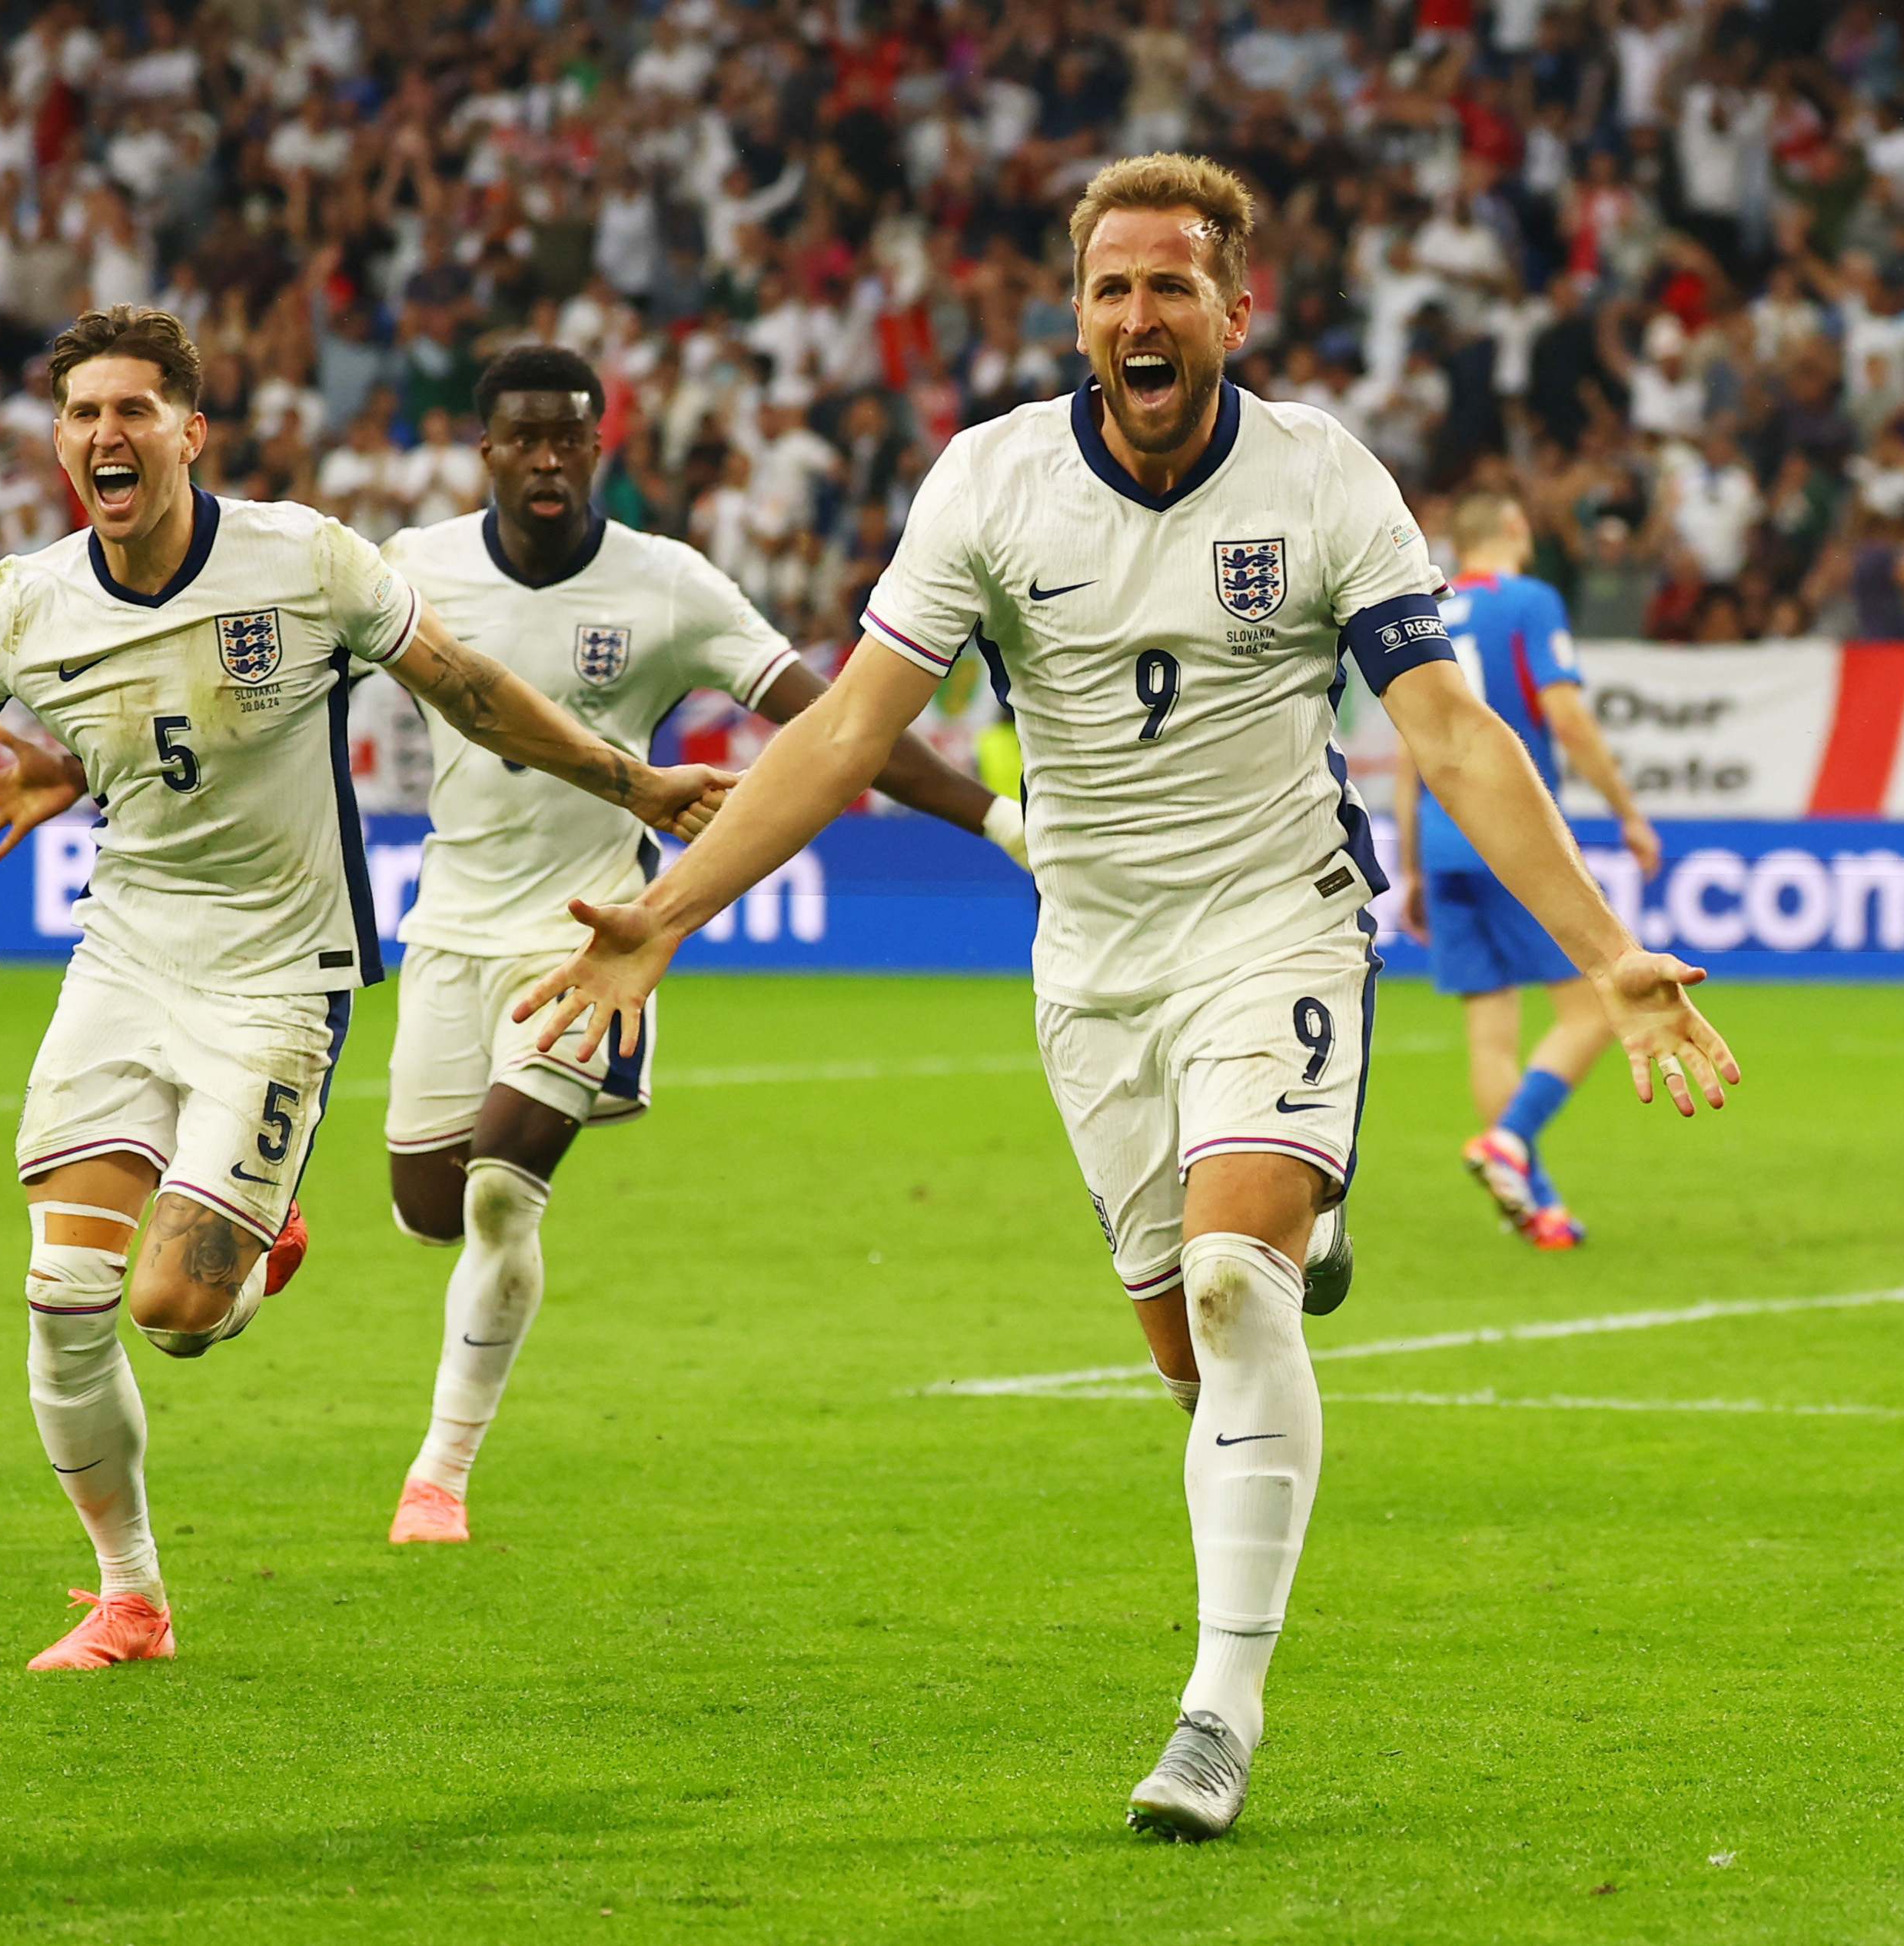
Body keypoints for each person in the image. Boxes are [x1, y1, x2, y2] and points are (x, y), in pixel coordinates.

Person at [511, 155, 1739, 1842]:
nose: (1137, 315)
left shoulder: (1320, 480)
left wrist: (1602, 946)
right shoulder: (991, 481)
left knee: (1232, 1286)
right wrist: (660, 914)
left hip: (1273, 926)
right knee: (1189, 1354)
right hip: (1088, 961)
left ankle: (1213, 1712)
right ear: (1075, 313)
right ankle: (1294, 1231)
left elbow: (1449, 730)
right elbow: (853, 725)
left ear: (1234, 308)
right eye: (1109, 288)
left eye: (1170, 285)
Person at [0, 306, 732, 1672]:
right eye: (81, 415)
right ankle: (132, 1599)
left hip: (278, 979)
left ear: (190, 430)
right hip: (123, 959)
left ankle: (253, 1234)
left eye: (133, 410)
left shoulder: (302, 561)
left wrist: (635, 781)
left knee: (173, 1311)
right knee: (62, 1293)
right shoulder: (24, 601)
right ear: (60, 443)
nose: (105, 435)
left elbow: (469, 689)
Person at [366, 345, 1024, 1546]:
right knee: (430, 1207)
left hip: (593, 929)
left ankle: (438, 1473)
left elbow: (839, 724)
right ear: (488, 453)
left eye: (572, 437)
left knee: (506, 1187)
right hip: (447, 926)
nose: (550, 459)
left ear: (598, 448)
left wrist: (998, 820)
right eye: (525, 438)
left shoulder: (667, 583)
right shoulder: (416, 570)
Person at [1392, 490, 1663, 1249]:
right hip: (1509, 836)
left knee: (1489, 1033)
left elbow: (1419, 751)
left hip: (1444, 846)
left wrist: (1412, 864)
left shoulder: (1426, 608)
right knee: (1589, 1010)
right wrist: (1626, 810)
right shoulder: (1530, 601)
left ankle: (1533, 1199)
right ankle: (1508, 1142)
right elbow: (1567, 718)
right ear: (1514, 529)